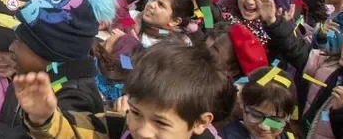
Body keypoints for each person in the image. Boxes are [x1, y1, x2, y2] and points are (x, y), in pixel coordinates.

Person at [16, 40, 237, 139]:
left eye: (161, 122)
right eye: (137, 113)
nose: (142, 130)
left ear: (200, 122)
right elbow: (70, 132)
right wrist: (43, 116)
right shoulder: (115, 126)